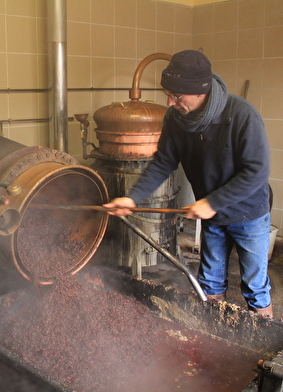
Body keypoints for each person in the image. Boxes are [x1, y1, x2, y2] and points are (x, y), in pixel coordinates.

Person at [104, 49, 272, 318]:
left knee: (254, 286)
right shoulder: (176, 119)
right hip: (214, 217)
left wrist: (212, 201)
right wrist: (133, 198)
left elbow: (257, 172)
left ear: (199, 91)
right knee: (210, 282)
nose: (170, 102)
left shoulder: (241, 115)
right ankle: (215, 333)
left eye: (177, 96)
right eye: (167, 94)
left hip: (248, 213)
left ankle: (266, 349)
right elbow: (163, 162)